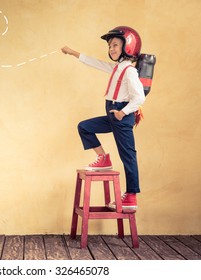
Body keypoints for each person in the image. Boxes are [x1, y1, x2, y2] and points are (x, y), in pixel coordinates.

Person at [61, 26, 145, 210]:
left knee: (128, 156)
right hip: (112, 114)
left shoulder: (129, 71)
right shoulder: (116, 68)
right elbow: (94, 62)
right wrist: (72, 52)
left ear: (128, 46)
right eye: (109, 46)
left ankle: (131, 196)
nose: (111, 49)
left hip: (121, 115)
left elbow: (139, 97)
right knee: (84, 127)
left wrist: (123, 112)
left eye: (115, 45)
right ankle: (103, 158)